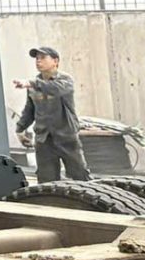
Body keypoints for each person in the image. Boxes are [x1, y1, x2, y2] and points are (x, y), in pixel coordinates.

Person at [13, 44, 89, 182]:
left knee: (79, 175)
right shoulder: (33, 85)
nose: (38, 61)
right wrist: (20, 129)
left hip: (66, 137)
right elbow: (29, 110)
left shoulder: (65, 80)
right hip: (44, 139)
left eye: (43, 57)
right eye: (37, 58)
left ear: (55, 61)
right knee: (46, 180)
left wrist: (32, 83)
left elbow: (55, 89)